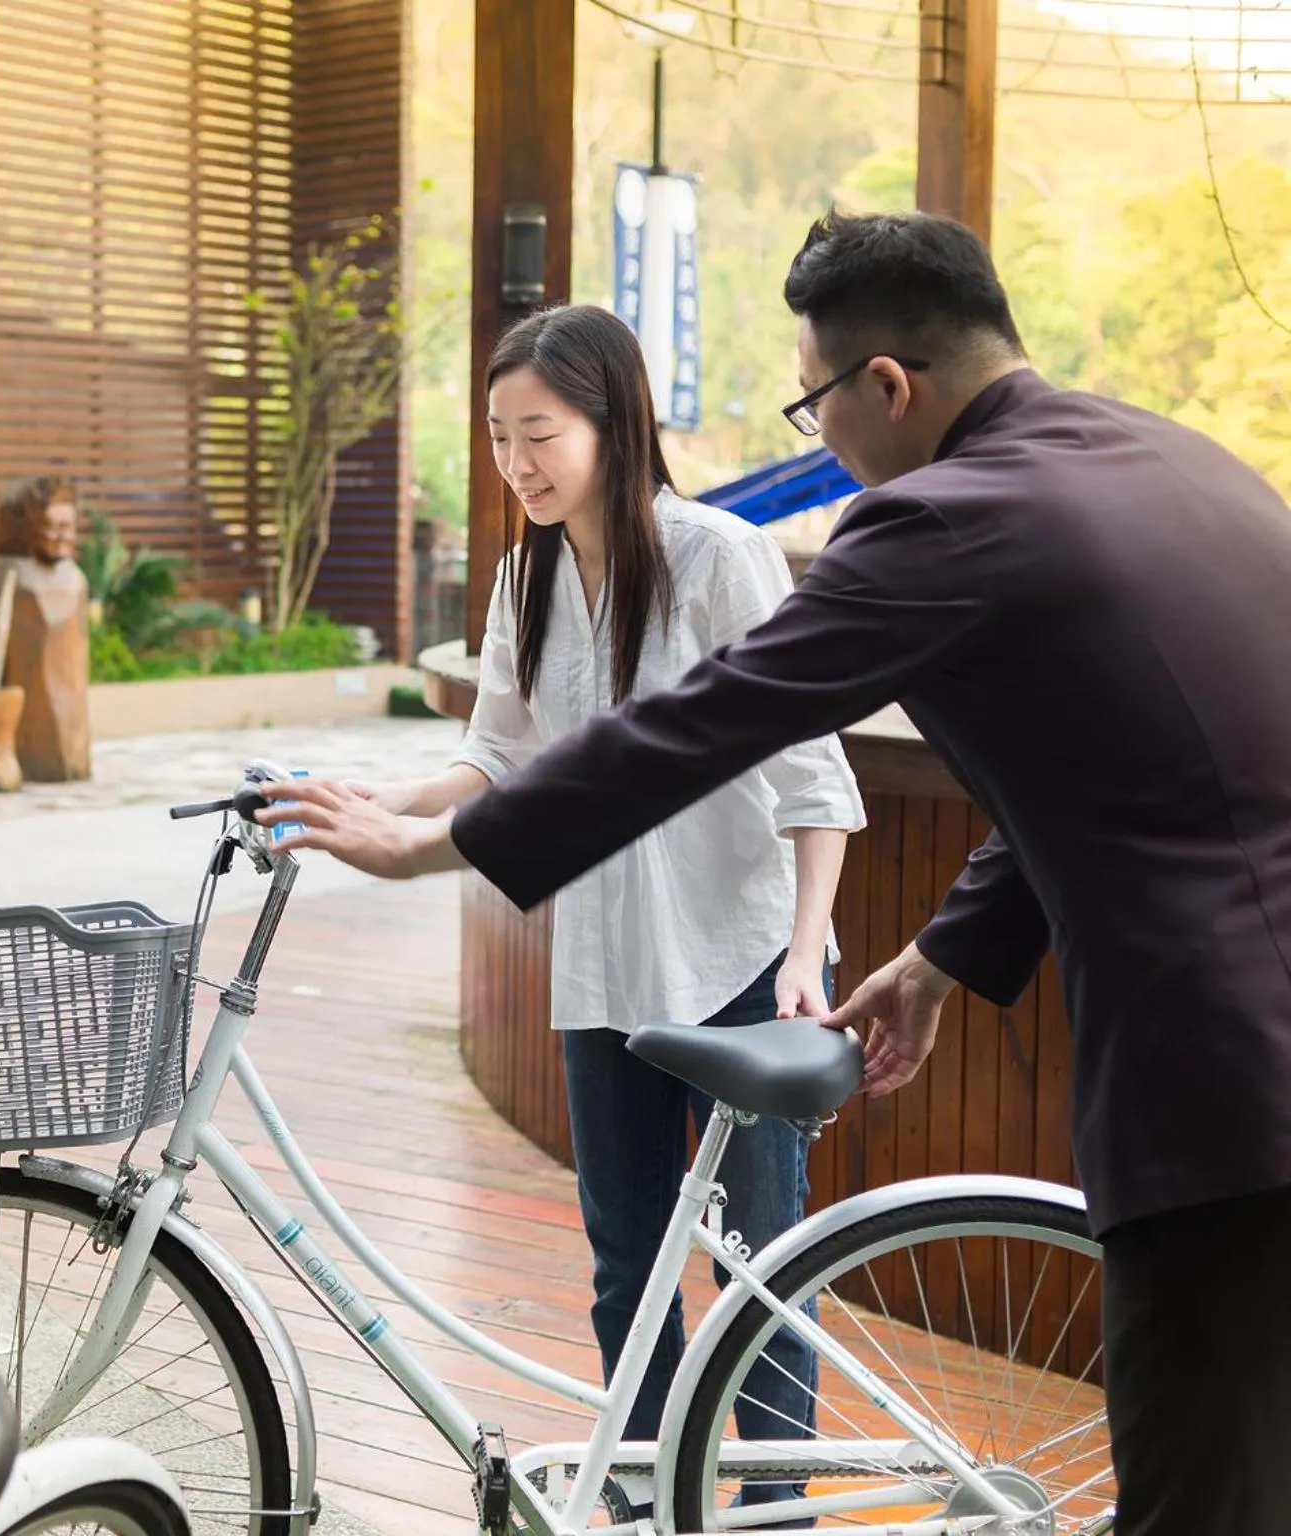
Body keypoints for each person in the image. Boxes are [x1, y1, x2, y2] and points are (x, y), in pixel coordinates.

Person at [262, 209, 1291, 1536]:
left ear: (888, 386)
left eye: (816, 410)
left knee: (1205, 1497)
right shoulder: (1178, 462)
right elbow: (1137, 779)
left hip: (1228, 1080)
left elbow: (715, 717)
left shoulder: (941, 519)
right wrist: (935, 957)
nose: (829, 448)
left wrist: (441, 846)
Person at [350, 305, 862, 1490]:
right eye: (495, 437)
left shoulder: (714, 557)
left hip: (743, 955)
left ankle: (771, 1510)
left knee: (754, 1261)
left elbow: (814, 778)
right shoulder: (522, 577)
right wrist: (368, 805)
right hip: (603, 966)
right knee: (624, 1261)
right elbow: (493, 759)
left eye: (539, 433)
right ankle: (643, 1492)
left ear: (611, 423)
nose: (516, 464)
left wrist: (800, 958)